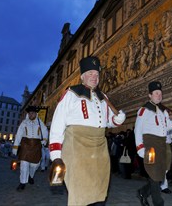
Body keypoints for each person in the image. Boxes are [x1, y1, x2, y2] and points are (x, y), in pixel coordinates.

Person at [49, 56, 126, 206]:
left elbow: (107, 121)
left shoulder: (103, 97)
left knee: (100, 188)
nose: (94, 77)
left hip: (100, 149)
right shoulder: (71, 94)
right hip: (77, 148)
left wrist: (118, 119)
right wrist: (56, 156)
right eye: (90, 73)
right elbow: (57, 125)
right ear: (82, 76)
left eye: (97, 74)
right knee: (80, 191)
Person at [134, 81, 172, 206]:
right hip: (150, 145)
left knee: (160, 174)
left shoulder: (163, 111)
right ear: (150, 95)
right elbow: (137, 129)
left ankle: (143, 192)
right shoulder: (144, 110)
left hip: (161, 144)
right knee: (154, 173)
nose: (159, 95)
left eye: (160, 93)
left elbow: (166, 128)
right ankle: (158, 202)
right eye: (156, 93)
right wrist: (140, 147)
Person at [12, 105, 48, 191]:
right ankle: (22, 183)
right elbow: (19, 134)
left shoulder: (40, 123)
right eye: (30, 113)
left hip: (36, 146)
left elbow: (45, 132)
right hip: (25, 145)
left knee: (35, 164)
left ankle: (31, 176)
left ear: (36, 114)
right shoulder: (24, 123)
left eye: (33, 113)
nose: (31, 115)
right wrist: (15, 147)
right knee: (24, 164)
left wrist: (44, 140)